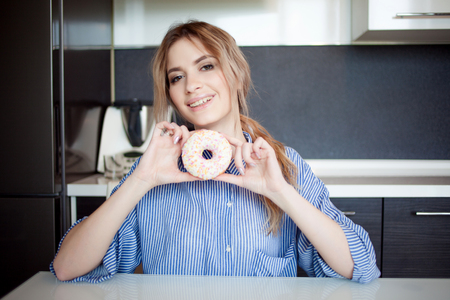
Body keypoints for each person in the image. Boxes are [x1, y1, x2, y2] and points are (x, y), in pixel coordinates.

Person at [51, 20, 380, 283]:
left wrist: (280, 192)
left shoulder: (282, 166)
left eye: (206, 66)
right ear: (171, 94)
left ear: (236, 74)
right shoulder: (152, 171)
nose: (191, 85)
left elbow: (362, 267)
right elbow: (66, 268)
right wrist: (141, 180)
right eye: (177, 77)